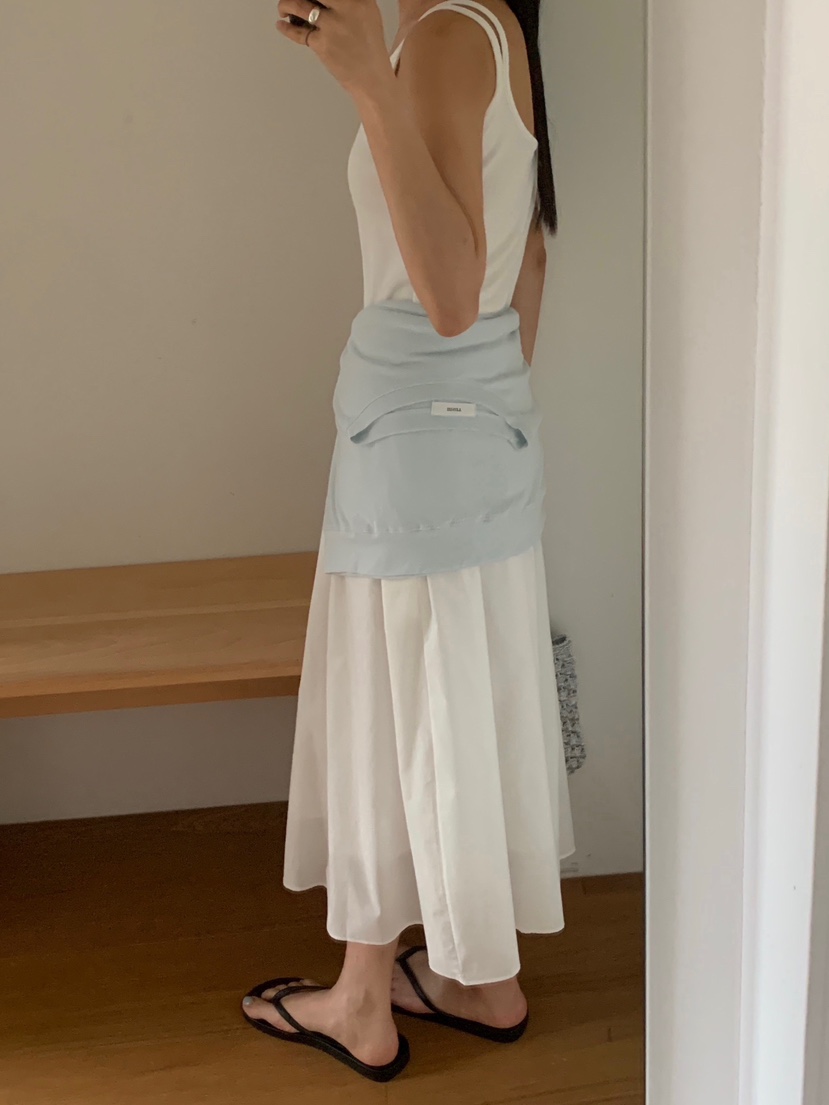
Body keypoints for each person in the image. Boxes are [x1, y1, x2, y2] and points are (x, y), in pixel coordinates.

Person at [241, 0, 575, 1081]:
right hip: (479, 440)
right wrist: (485, 408)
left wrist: (368, 86)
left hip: (412, 446)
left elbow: (448, 296)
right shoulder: (491, 28)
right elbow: (526, 258)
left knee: (394, 722)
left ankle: (359, 1000)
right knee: (452, 711)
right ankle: (479, 978)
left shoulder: (437, 40)